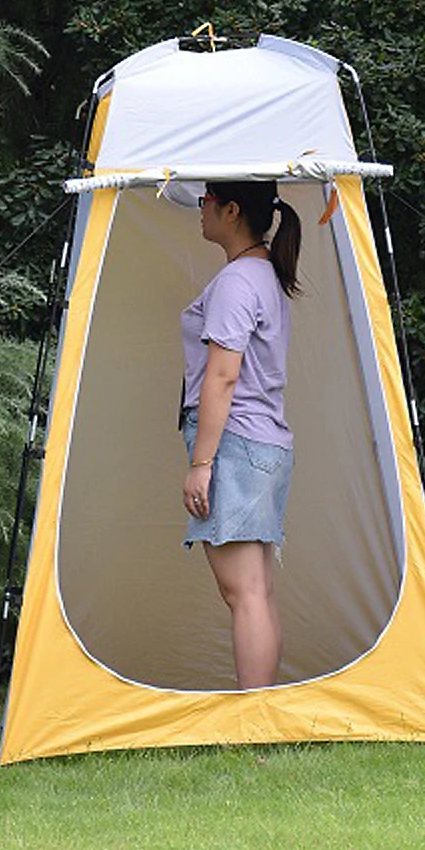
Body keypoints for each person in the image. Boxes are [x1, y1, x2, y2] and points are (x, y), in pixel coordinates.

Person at [180, 179, 302, 690]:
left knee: (245, 594)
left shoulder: (237, 281)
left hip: (235, 447)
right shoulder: (264, 273)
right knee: (256, 592)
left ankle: (255, 715)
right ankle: (263, 710)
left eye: (206, 200)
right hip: (263, 445)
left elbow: (222, 377)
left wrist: (201, 464)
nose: (200, 208)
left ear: (231, 211)